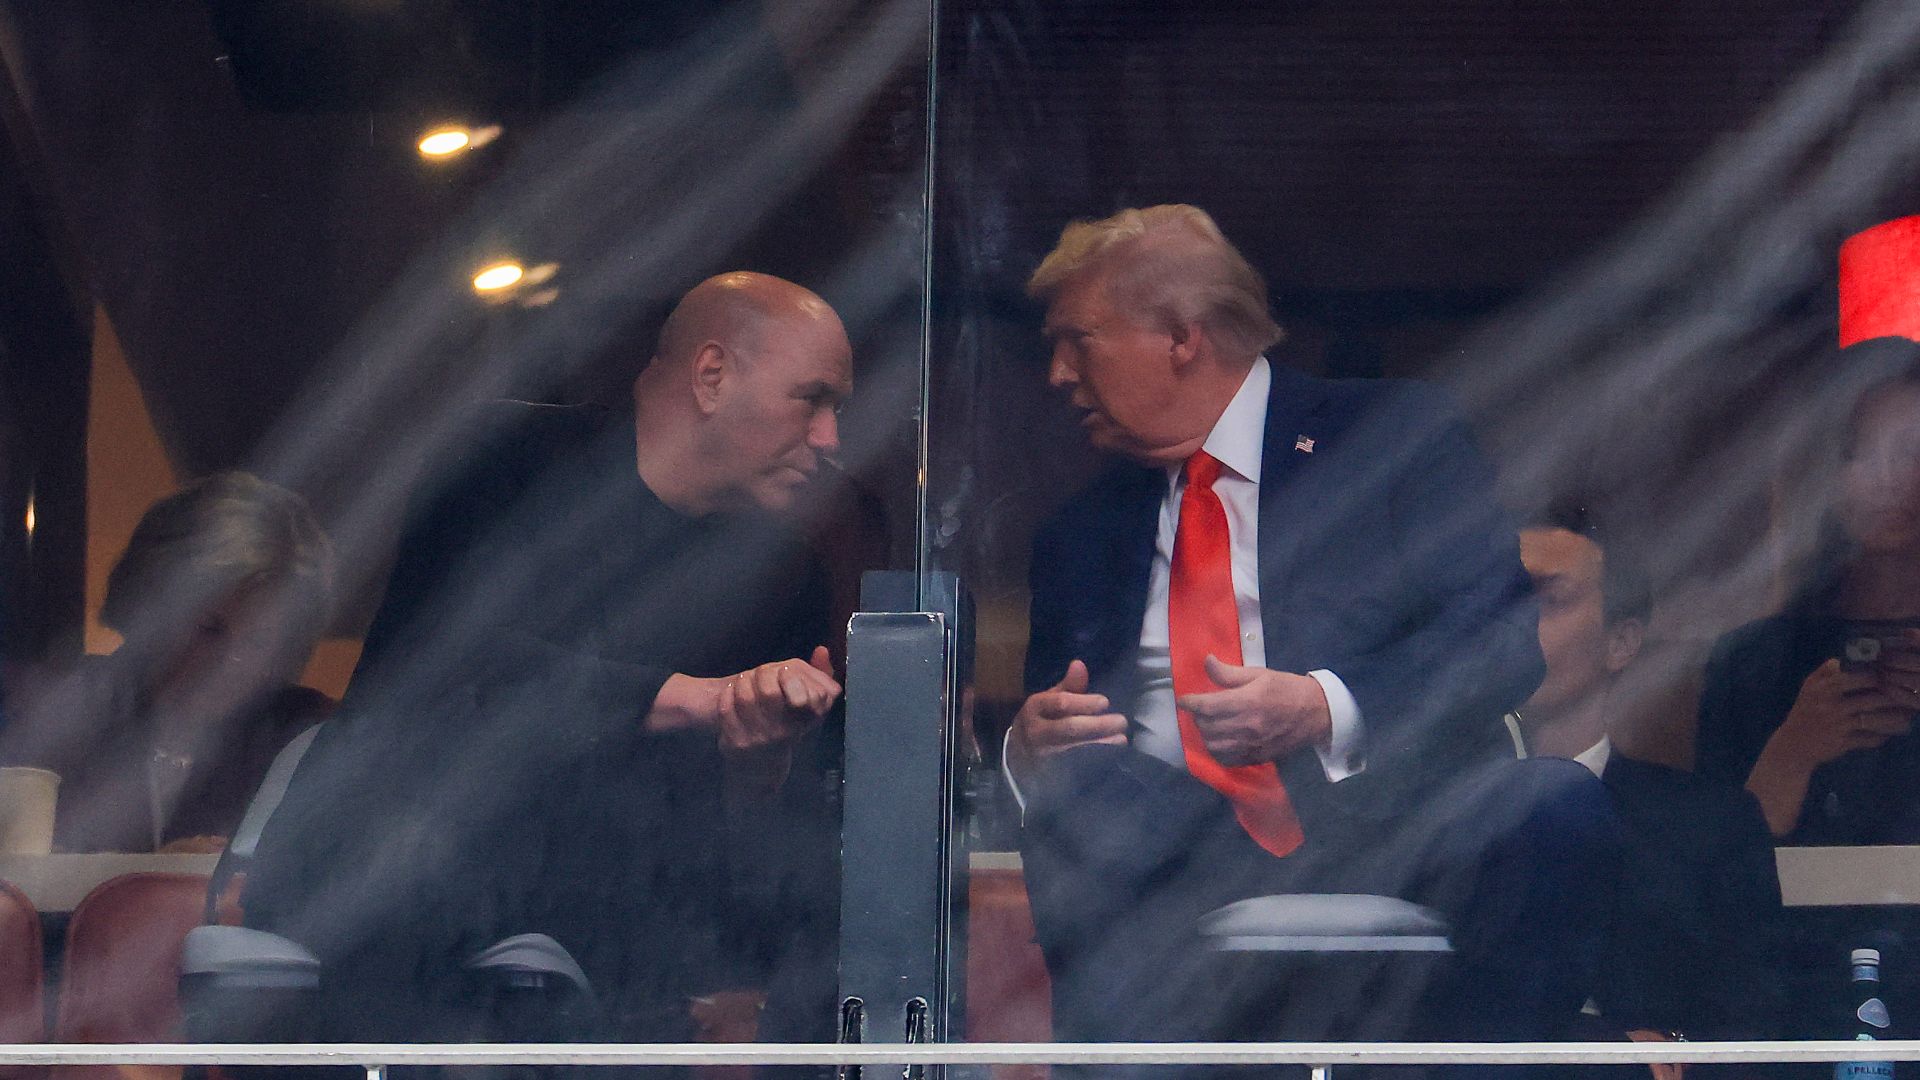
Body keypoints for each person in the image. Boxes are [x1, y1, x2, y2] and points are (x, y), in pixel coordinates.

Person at [1008, 204, 1620, 1051]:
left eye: (1077, 341)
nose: (1057, 375)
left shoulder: (1391, 437)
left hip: (1402, 823)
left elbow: (1499, 643)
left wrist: (1322, 705)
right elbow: (1065, 735)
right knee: (1077, 797)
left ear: (1180, 336)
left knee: (1552, 803)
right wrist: (1031, 748)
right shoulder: (1078, 533)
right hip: (1170, 854)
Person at [243, 271, 852, 1044]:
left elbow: (755, 863)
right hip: (389, 947)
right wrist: (696, 700)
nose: (831, 440)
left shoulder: (780, 576)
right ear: (711, 375)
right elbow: (448, 672)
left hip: (612, 997)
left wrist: (759, 760)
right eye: (812, 399)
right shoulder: (500, 467)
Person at [1695, 335, 1920, 1039]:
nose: (1887, 479)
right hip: (1784, 993)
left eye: (1911, 451)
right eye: (1857, 453)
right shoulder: (1753, 662)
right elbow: (1709, 879)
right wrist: (1793, 751)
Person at [1508, 507, 1784, 1075]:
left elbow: (1756, 1029)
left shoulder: (1711, 826)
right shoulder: (1430, 822)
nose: (1511, 629)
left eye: (1548, 600)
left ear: (1621, 642)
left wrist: (1676, 1047)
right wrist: (1603, 1045)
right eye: (1501, 606)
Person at [2, 472, 335, 853]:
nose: (229, 661)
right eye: (209, 628)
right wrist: (155, 876)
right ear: (147, 604)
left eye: (258, 642)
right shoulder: (48, 709)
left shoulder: (303, 738)